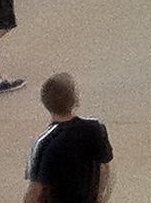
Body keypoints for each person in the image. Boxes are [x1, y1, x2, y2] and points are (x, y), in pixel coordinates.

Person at [24, 72, 111, 202]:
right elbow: (105, 168)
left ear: (45, 103)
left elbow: (35, 189)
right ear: (76, 100)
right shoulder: (95, 128)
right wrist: (100, 197)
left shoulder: (43, 143)